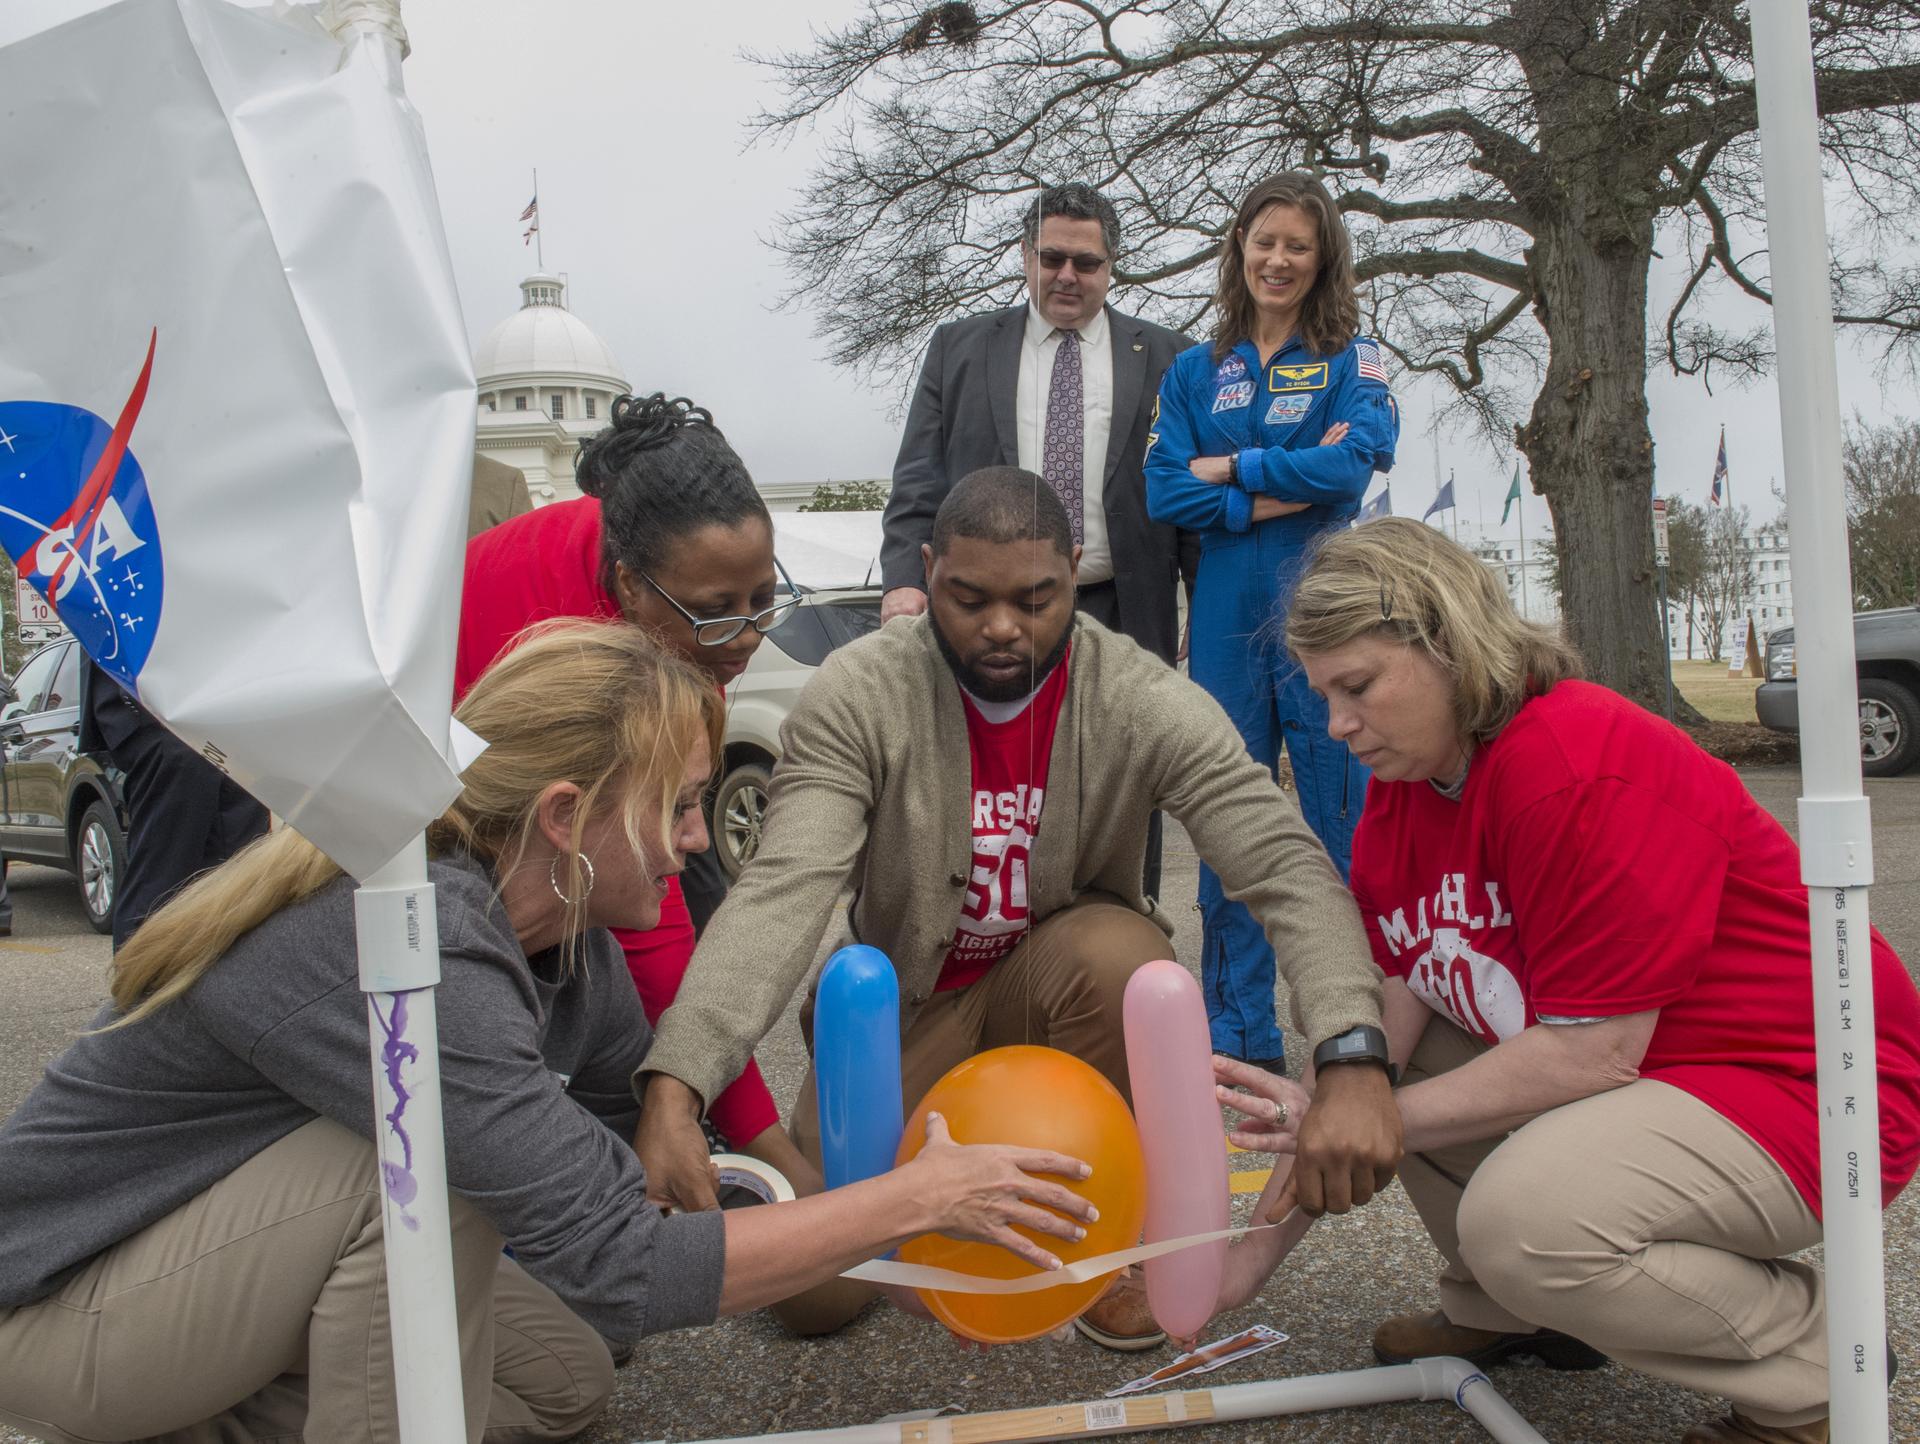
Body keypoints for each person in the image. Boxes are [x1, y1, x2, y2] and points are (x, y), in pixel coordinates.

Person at [0, 622, 1095, 1444]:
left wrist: (670, 1105)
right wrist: (913, 1200)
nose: (696, 841)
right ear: (567, 817)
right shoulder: (410, 941)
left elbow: (627, 1191)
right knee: (411, 1164)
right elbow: (622, 1262)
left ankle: (210, 1417)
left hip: (224, 1283)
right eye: (678, 805)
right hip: (59, 1310)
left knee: (567, 1379)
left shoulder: (571, 948)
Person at [639, 468, 1403, 1350]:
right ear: (929, 570)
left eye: (1036, 599)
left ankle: (1103, 1244)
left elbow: (1279, 860)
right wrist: (677, 1082)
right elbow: (784, 887)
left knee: (1122, 956)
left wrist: (1352, 1050)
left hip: (1060, 992)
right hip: (918, 1007)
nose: (1002, 626)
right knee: (815, 1302)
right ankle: (918, 1219)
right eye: (969, 598)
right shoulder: (859, 692)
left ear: (1074, 570)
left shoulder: (1138, 696)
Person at [1208, 518, 1920, 1444]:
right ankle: (1511, 1310)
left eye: (1358, 686)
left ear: (1448, 644)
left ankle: (1819, 1368)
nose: (1337, 725)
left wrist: (1363, 1118)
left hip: (1812, 1089)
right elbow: (1391, 1011)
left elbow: (1595, 1054)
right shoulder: (1409, 784)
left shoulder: (1572, 759)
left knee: (1526, 1222)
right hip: (1667, 1074)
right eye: (1323, 695)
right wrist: (1244, 1263)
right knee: (1377, 1072)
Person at [457, 392, 808, 1187]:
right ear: (630, 587)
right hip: (459, 804)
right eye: (718, 613)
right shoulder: (570, 643)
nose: (749, 637)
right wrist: (771, 1150)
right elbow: (651, 934)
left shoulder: (680, 592)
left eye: (763, 600)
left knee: (691, 916)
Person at [1144, 170, 1399, 1074]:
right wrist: (1280, 482)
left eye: (1298, 245)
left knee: (1347, 822)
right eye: (1266, 242)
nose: (1279, 260)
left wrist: (1231, 468)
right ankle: (1241, 1045)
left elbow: (1352, 467)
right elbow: (1163, 489)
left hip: (1323, 605)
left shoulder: (1354, 358)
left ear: (1323, 257)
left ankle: (1365, 1031)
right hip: (1222, 610)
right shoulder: (1193, 370)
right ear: (1240, 249)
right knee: (1230, 825)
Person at [880, 183, 1195, 897]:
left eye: (1087, 263)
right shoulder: (959, 349)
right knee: (994, 783)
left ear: (1112, 267)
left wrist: (1202, 603)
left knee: (1124, 782)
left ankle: (1126, 925)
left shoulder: (1169, 357)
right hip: (993, 610)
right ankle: (987, 930)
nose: (1067, 276)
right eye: (1052, 258)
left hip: (1123, 607)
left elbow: (1187, 498)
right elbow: (918, 479)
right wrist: (903, 581)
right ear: (1026, 256)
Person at [79, 657, 271, 948]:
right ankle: (142, 973)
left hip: (228, 711)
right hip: (157, 709)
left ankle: (224, 973)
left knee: (239, 870)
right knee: (162, 877)